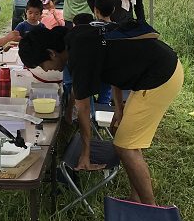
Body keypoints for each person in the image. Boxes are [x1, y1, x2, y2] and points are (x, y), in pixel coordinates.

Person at [18, 24, 182, 206]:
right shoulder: (75, 38)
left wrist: (85, 154)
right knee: (128, 141)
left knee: (125, 147)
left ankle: (151, 209)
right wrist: (119, 110)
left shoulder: (78, 55)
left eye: (42, 65)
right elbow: (116, 66)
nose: (46, 70)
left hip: (161, 76)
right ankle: (137, 200)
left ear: (51, 53)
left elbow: (84, 108)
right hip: (155, 69)